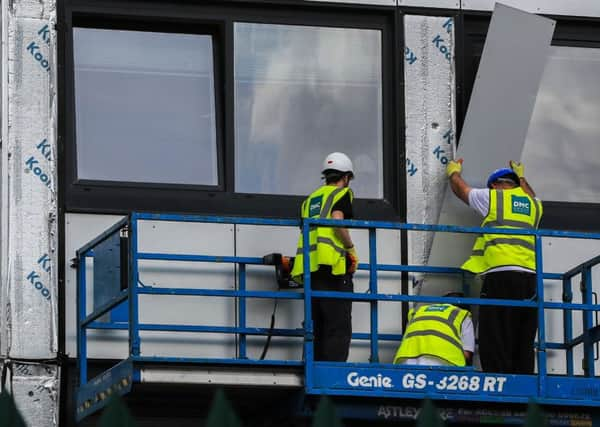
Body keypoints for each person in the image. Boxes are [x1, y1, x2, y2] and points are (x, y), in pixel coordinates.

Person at [446, 158, 543, 374]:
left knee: (495, 332)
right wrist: (522, 177)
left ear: (495, 184)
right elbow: (530, 194)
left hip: (501, 275)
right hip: (530, 279)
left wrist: (453, 173)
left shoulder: (493, 198)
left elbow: (462, 191)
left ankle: (498, 378)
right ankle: (523, 382)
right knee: (523, 334)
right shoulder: (535, 205)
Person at [290, 152, 359, 362]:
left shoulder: (311, 200)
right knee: (338, 325)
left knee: (316, 323)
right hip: (333, 267)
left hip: (311, 268)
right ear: (345, 177)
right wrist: (350, 248)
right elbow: (337, 220)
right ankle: (333, 371)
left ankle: (314, 366)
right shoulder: (341, 194)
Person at [393, 292, 475, 367]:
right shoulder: (462, 315)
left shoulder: (419, 311)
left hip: (406, 361)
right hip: (443, 364)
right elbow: (467, 354)